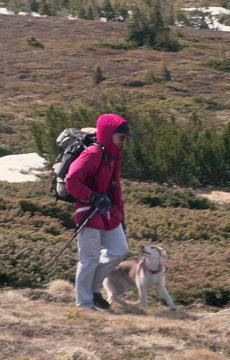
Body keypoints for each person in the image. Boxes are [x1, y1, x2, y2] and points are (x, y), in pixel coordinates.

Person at [65, 113, 131, 310]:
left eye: (125, 139)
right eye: (121, 137)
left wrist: (121, 215)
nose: (123, 142)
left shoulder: (114, 155)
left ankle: (93, 289)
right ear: (109, 134)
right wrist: (92, 196)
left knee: (120, 250)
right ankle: (84, 304)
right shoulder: (93, 154)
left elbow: (115, 186)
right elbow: (71, 181)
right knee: (89, 259)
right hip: (88, 210)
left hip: (108, 211)